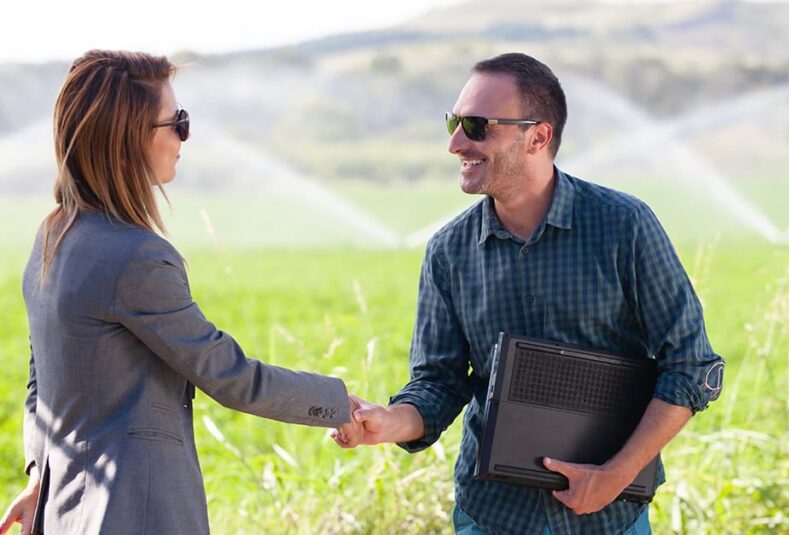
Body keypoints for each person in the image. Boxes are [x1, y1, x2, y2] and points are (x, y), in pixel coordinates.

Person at [333, 52, 724, 534]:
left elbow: (691, 366)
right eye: (454, 122)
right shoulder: (447, 252)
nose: (456, 143)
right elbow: (439, 383)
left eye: (477, 126)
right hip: (491, 516)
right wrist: (387, 421)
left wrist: (614, 477)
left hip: (609, 520)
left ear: (538, 136)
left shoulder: (625, 226)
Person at [0, 50, 357, 535]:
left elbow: (42, 378)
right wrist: (342, 404)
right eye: (178, 122)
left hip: (64, 512)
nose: (184, 137)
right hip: (135, 514)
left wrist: (39, 476)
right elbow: (230, 376)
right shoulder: (137, 257)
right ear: (131, 138)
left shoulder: (52, 237)